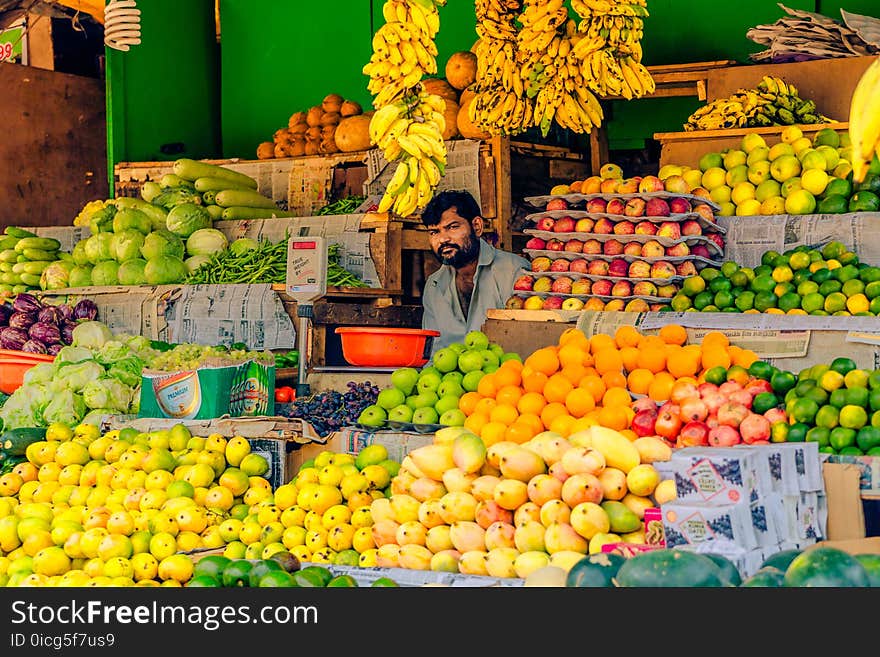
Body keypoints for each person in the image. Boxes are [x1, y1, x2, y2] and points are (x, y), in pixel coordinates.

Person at [420, 190, 529, 354]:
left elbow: (530, 342)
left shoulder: (515, 272)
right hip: (449, 378)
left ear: (477, 226)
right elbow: (433, 354)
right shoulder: (433, 286)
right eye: (434, 232)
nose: (443, 239)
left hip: (506, 376)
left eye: (452, 227)